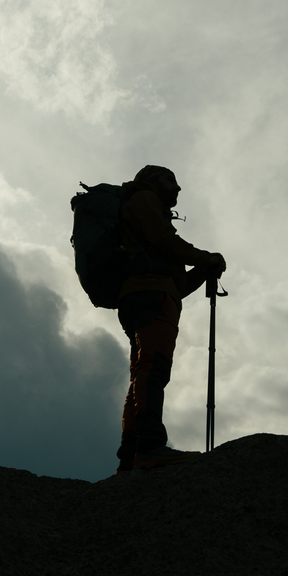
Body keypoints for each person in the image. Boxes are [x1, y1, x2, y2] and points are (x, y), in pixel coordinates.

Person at [115, 165, 226, 473]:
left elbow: (177, 286)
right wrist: (205, 257)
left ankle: (130, 455)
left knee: (142, 370)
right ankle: (149, 446)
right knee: (154, 367)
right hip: (152, 297)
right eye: (170, 180)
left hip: (145, 295)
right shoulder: (145, 199)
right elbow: (164, 239)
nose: (177, 188)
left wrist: (202, 271)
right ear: (152, 181)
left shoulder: (143, 219)